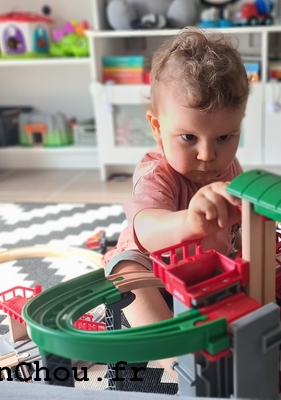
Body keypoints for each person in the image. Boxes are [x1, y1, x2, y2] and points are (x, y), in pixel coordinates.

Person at [101, 27, 250, 379]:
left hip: (205, 271)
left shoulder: (230, 168)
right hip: (154, 271)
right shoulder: (156, 173)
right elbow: (145, 227)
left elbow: (241, 223)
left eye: (225, 137)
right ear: (157, 127)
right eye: (188, 137)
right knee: (125, 271)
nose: (207, 154)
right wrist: (189, 222)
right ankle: (174, 355)